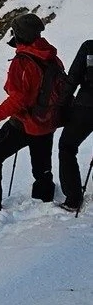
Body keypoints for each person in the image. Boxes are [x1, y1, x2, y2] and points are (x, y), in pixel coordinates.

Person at [0, 13, 66, 214]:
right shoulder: (51, 56)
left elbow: (17, 101)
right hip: (47, 121)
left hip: (25, 122)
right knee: (42, 167)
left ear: (19, 34)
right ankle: (44, 200)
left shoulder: (22, 62)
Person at [56, 38, 93, 212]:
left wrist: (62, 105)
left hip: (85, 107)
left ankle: (73, 199)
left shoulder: (89, 47)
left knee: (67, 147)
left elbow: (73, 78)